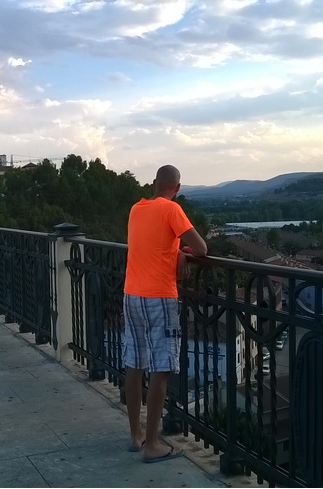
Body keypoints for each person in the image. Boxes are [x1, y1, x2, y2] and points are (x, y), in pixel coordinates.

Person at [123, 165, 207, 463]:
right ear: (177, 188)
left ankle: (136, 436)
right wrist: (184, 251)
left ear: (153, 183)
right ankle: (153, 445)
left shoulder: (136, 209)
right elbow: (201, 248)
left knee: (134, 364)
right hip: (159, 297)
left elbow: (150, 245)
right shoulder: (171, 209)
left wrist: (175, 251)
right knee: (161, 368)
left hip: (132, 294)